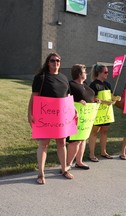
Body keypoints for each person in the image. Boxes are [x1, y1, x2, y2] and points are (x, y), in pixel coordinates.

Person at [27, 52, 74, 184]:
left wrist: (73, 109)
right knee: (44, 145)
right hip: (44, 116)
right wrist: (29, 113)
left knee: (61, 143)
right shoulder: (41, 77)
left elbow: (68, 96)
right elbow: (34, 97)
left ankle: (64, 169)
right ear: (48, 62)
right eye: (53, 60)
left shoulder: (64, 78)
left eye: (58, 60)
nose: (56, 63)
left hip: (61, 117)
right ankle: (41, 174)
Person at [66, 64, 96, 170]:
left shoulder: (85, 85)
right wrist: (76, 102)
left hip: (85, 119)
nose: (86, 74)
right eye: (84, 72)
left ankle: (79, 162)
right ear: (79, 74)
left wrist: (95, 101)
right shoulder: (70, 85)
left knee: (83, 139)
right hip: (74, 117)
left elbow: (91, 96)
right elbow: (66, 99)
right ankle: (67, 164)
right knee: (75, 141)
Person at [88, 64, 114, 162]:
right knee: (94, 132)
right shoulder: (93, 85)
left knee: (104, 132)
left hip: (107, 113)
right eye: (105, 72)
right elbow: (91, 98)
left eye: (107, 72)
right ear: (99, 73)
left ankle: (103, 151)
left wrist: (115, 99)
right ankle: (91, 154)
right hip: (97, 113)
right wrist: (104, 102)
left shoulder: (108, 84)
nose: (107, 74)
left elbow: (111, 96)